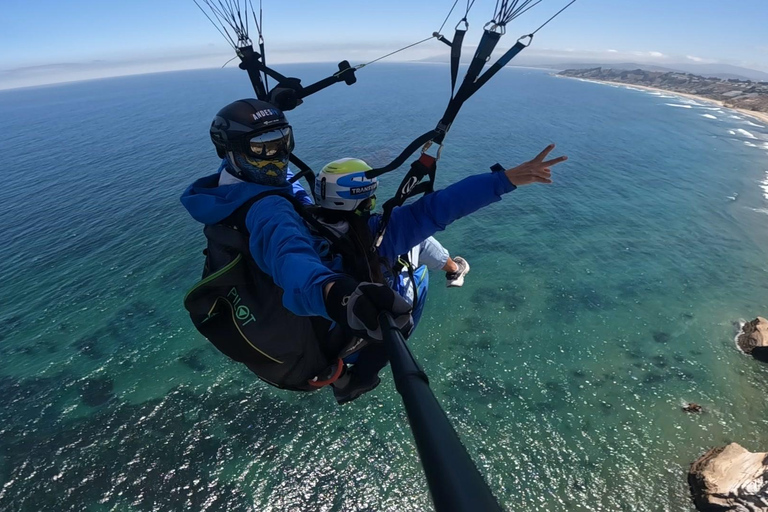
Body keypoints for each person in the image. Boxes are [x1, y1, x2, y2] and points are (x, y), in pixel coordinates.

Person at [181, 97, 567, 404]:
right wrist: (339, 296)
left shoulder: (235, 190)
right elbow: (291, 261)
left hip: (282, 302)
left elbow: (284, 198)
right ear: (228, 150)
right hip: (321, 312)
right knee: (397, 317)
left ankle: (350, 372)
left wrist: (264, 113)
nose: (278, 156)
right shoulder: (278, 213)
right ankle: (356, 381)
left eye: (283, 141)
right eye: (263, 148)